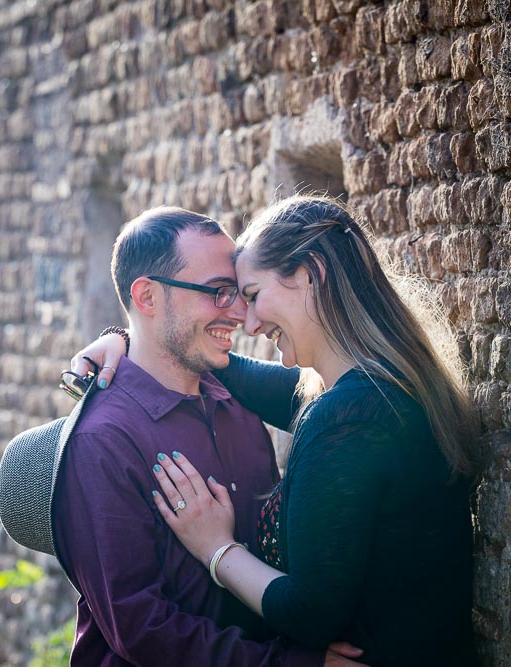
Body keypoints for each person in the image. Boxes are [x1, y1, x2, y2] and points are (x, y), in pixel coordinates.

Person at [75, 195, 482, 666]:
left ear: (310, 274)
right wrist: (129, 336)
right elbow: (231, 370)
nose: (245, 321)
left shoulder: (346, 419)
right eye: (223, 294)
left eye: (249, 295)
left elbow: (310, 613)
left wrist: (218, 549)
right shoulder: (389, 385)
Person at [49, 206, 365, 666]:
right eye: (218, 292)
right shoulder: (101, 441)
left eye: (238, 292)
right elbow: (141, 627)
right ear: (148, 298)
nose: (240, 313)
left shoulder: (237, 405)